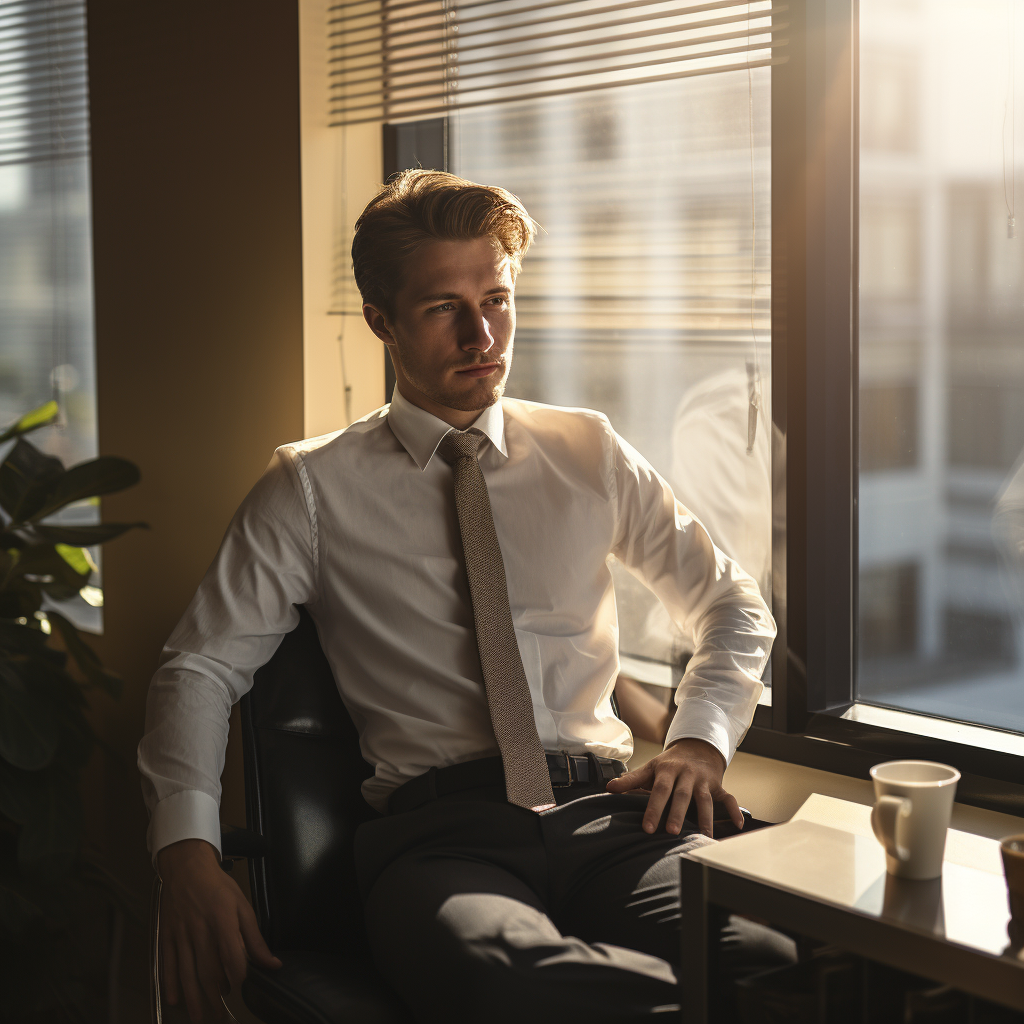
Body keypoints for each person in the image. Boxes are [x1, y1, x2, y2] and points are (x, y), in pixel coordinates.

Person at [139, 170, 791, 1024]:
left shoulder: (586, 450)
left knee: (774, 960)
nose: (483, 333)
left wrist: (701, 742)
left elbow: (732, 605)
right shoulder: (309, 488)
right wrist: (186, 855)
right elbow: (199, 666)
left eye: (497, 297)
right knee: (502, 978)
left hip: (610, 821)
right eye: (444, 308)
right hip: (437, 847)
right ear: (382, 322)